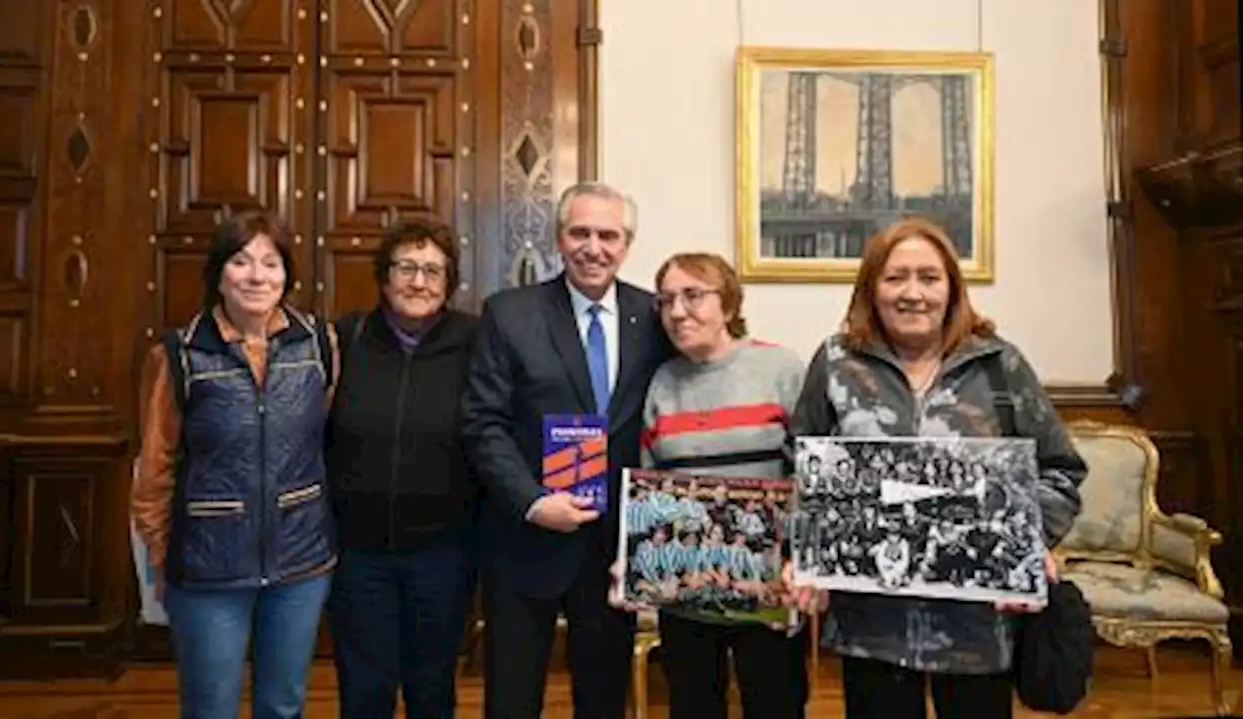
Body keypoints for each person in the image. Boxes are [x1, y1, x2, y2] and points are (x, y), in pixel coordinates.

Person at [788, 216, 1087, 719]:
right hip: (872, 624)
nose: (913, 293)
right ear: (871, 288)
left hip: (976, 624)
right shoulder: (837, 362)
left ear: (952, 288)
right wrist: (805, 552)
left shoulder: (999, 364)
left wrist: (1029, 539)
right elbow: (800, 467)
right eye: (895, 277)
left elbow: (1060, 471)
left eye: (929, 277)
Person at [461, 182, 673, 718]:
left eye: (608, 235)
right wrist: (532, 501)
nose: (593, 247)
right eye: (580, 232)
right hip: (525, 537)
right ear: (559, 239)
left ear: (626, 244)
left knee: (603, 698)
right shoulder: (510, 314)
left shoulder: (655, 318)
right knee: (512, 698)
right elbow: (483, 422)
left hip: (614, 548)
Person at [131, 210, 337, 719]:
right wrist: (160, 553)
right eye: (240, 261)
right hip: (207, 568)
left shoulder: (319, 344)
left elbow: (328, 442)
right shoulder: (178, 355)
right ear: (218, 274)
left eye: (271, 263)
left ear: (287, 276)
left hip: (300, 562)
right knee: (210, 707)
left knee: (284, 705)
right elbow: (154, 468)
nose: (256, 276)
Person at [613, 252, 816, 719]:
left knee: (776, 704)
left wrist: (801, 561)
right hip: (687, 594)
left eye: (693, 296)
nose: (677, 311)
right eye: (665, 301)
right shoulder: (661, 381)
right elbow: (651, 488)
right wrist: (633, 561)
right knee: (692, 705)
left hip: (767, 589)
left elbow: (811, 476)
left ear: (728, 305)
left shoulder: (782, 369)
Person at [325, 219, 479, 718]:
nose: (419, 282)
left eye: (433, 271)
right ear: (384, 276)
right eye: (407, 268)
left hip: (444, 551)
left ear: (449, 281)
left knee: (432, 686)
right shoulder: (346, 339)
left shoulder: (475, 342)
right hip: (359, 553)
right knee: (365, 689)